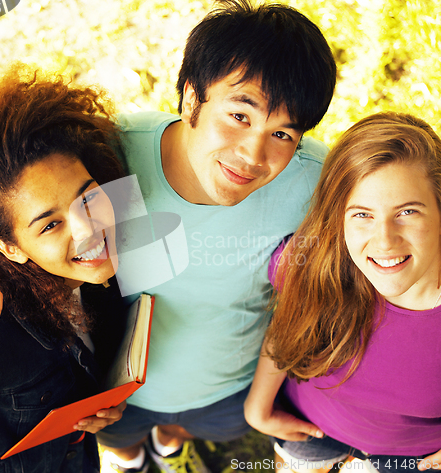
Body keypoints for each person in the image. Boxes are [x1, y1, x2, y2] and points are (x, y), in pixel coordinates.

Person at [97, 1, 336, 471]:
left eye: (284, 135)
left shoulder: (314, 183)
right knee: (118, 441)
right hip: (115, 388)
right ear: (191, 99)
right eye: (240, 117)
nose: (253, 155)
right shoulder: (111, 153)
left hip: (228, 387)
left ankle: (170, 446)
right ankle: (131, 462)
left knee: (185, 430)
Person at [0, 67, 129, 472]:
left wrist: (100, 404)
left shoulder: (100, 276)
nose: (88, 230)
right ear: (10, 247)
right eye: (49, 224)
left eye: (87, 198)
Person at [244, 112, 441, 473]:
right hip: (309, 431)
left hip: (413, 458)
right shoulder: (313, 264)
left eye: (408, 211)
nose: (384, 241)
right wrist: (258, 406)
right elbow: (286, 325)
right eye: (362, 214)